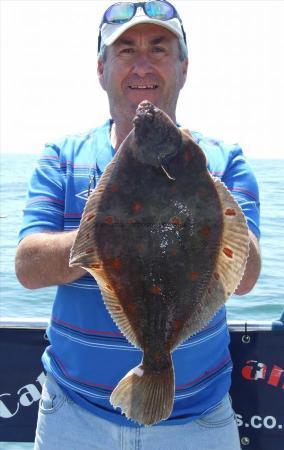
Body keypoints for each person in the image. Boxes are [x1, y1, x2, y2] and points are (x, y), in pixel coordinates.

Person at [15, 1, 261, 449]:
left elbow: (244, 279)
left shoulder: (225, 161)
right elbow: (27, 268)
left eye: (160, 49)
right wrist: (106, 236)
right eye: (126, 50)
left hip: (198, 421)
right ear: (101, 68)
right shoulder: (61, 155)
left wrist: (199, 187)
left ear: (183, 67)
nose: (143, 64)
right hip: (73, 417)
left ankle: (156, 362)